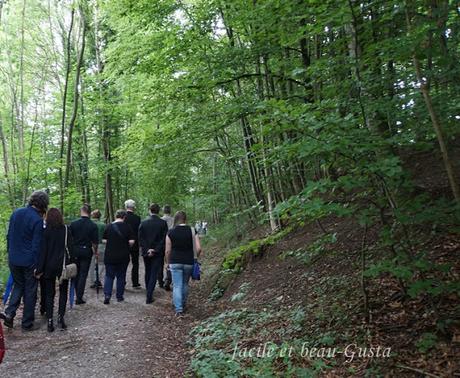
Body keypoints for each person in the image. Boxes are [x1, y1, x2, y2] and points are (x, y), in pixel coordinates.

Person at [1, 190, 48, 331]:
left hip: (14, 258)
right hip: (29, 261)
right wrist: (37, 266)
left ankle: (9, 314)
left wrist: (11, 252)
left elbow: (9, 236)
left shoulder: (16, 213)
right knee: (30, 291)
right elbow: (36, 246)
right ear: (43, 204)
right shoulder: (38, 220)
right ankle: (27, 323)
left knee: (18, 285)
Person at [35, 208, 73, 332]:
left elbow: (43, 252)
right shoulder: (66, 230)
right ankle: (61, 318)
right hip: (62, 266)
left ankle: (50, 320)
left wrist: (39, 269)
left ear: (48, 218)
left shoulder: (46, 232)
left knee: (49, 293)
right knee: (63, 291)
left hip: (49, 266)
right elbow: (71, 249)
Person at [165, 211, 202, 316]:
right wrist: (195, 258)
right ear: (186, 219)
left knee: (177, 285)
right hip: (188, 261)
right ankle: (183, 304)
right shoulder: (192, 230)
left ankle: (178, 309)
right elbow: (199, 248)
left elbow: (167, 251)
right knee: (185, 284)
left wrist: (167, 263)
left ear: (176, 219)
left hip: (175, 261)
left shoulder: (170, 232)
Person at [102, 210, 135, 304]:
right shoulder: (128, 227)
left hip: (110, 255)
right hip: (123, 255)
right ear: (124, 217)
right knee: (121, 276)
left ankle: (107, 295)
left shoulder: (109, 226)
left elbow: (104, 240)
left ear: (116, 216)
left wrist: (111, 243)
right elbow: (132, 241)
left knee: (109, 275)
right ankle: (119, 296)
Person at [138, 203, 168, 304]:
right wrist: (155, 249)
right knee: (154, 273)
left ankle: (149, 293)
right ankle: (149, 295)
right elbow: (164, 239)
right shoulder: (163, 223)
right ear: (158, 211)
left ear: (149, 210)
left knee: (148, 271)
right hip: (158, 253)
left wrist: (147, 249)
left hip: (147, 252)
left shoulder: (143, 222)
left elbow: (140, 238)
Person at [69, 204, 99, 305]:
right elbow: (95, 242)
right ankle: (79, 297)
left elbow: (69, 239)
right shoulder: (92, 225)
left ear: (81, 211)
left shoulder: (73, 224)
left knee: (76, 273)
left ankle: (76, 294)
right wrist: (95, 251)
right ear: (89, 212)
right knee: (83, 274)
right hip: (86, 251)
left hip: (75, 251)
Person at [124, 200, 141, 288]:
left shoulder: (123, 217)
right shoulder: (137, 218)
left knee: (123, 263)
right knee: (135, 263)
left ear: (126, 206)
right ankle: (135, 282)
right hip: (135, 243)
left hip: (124, 243)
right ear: (133, 207)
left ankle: (122, 281)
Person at [89, 210, 106, 289]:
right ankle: (97, 279)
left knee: (91, 264)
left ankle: (93, 281)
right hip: (101, 246)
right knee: (101, 263)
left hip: (90, 246)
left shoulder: (89, 224)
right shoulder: (103, 225)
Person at [161, 205, 174, 291]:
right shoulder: (173, 220)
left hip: (161, 243)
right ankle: (168, 280)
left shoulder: (160, 220)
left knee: (162, 262)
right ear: (170, 211)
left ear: (163, 211)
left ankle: (162, 280)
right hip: (171, 242)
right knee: (170, 262)